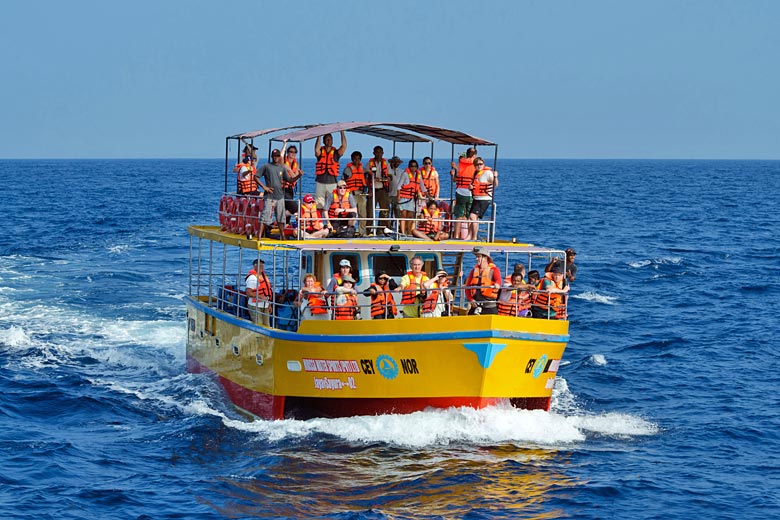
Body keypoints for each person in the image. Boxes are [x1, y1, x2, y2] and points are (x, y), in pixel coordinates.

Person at [257, 148, 294, 238]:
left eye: (277, 156)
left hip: (280, 196)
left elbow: (290, 180)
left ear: (279, 157)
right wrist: (264, 187)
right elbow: (256, 176)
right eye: (274, 156)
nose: (276, 158)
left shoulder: (282, 168)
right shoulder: (266, 166)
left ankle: (283, 236)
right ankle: (259, 236)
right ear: (271, 157)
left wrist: (299, 176)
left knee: (281, 218)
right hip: (269, 196)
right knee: (265, 216)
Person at [314, 131, 347, 209]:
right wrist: (318, 136)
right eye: (327, 139)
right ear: (324, 141)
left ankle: (331, 221)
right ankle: (319, 221)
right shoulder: (320, 152)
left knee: (332, 203)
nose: (329, 141)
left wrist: (342, 132)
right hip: (320, 182)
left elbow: (344, 146)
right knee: (319, 204)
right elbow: (316, 150)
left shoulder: (336, 153)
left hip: (332, 183)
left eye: (330, 139)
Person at [467, 157, 497, 241]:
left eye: (481, 164)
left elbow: (495, 183)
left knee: (473, 216)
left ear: (483, 164)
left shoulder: (488, 173)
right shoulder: (476, 173)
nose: (479, 166)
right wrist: (470, 187)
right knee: (471, 217)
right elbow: (473, 186)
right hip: (476, 198)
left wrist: (495, 177)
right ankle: (469, 235)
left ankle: (474, 237)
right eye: (477, 164)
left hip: (484, 198)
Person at [450, 147, 477, 239]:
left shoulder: (460, 164)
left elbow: (455, 179)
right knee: (470, 215)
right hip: (471, 192)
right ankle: (470, 236)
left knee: (458, 214)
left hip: (460, 191)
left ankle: (456, 235)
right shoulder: (476, 164)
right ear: (474, 155)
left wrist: (454, 170)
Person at [465, 249, 502, 315]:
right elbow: (467, 287)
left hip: (489, 307)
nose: (476, 259)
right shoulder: (473, 271)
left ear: (485, 258)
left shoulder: (494, 270)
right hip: (476, 306)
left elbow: (498, 280)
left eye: (478, 257)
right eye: (476, 257)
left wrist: (497, 284)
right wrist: (470, 299)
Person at [396, 159, 427, 235]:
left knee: (410, 216)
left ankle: (409, 232)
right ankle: (403, 232)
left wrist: (429, 195)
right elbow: (399, 186)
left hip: (411, 198)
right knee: (403, 216)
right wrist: (398, 196)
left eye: (415, 166)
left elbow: (422, 187)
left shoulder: (418, 176)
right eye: (412, 166)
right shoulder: (405, 174)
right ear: (409, 167)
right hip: (403, 198)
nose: (413, 168)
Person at [342, 151, 368, 235]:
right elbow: (343, 182)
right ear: (352, 159)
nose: (357, 160)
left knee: (363, 214)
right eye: (355, 159)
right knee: (352, 214)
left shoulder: (363, 169)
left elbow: (366, 180)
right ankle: (349, 231)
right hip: (351, 195)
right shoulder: (347, 170)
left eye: (358, 159)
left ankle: (362, 232)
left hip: (361, 194)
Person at [367, 146, 391, 232]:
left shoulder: (386, 163)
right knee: (370, 210)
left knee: (384, 210)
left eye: (380, 152)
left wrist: (383, 179)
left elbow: (390, 176)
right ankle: (368, 230)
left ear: (383, 153)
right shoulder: (369, 163)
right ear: (373, 153)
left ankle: (382, 230)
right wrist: (369, 189)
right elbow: (366, 176)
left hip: (383, 189)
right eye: (376, 152)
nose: (378, 154)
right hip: (372, 189)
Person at [245, 258, 272, 326]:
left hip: (265, 305)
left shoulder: (263, 276)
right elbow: (248, 293)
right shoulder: (252, 278)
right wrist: (260, 296)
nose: (262, 267)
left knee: (267, 325)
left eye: (262, 265)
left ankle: (266, 336)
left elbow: (267, 292)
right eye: (260, 265)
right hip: (255, 305)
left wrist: (269, 304)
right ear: (255, 266)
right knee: (259, 324)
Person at [282, 145, 304, 220]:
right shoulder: (283, 162)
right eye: (291, 152)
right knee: (295, 208)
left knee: (287, 208)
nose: (293, 154)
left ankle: (283, 221)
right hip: (282, 190)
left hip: (290, 190)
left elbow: (295, 178)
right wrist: (284, 144)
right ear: (287, 153)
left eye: (295, 152)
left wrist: (289, 170)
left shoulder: (296, 165)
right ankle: (280, 217)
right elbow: (281, 156)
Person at [387, 156, 405, 225]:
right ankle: (387, 225)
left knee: (397, 211)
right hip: (388, 194)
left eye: (397, 162)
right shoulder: (388, 170)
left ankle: (398, 226)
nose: (396, 163)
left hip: (397, 195)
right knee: (386, 211)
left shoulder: (401, 171)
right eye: (394, 162)